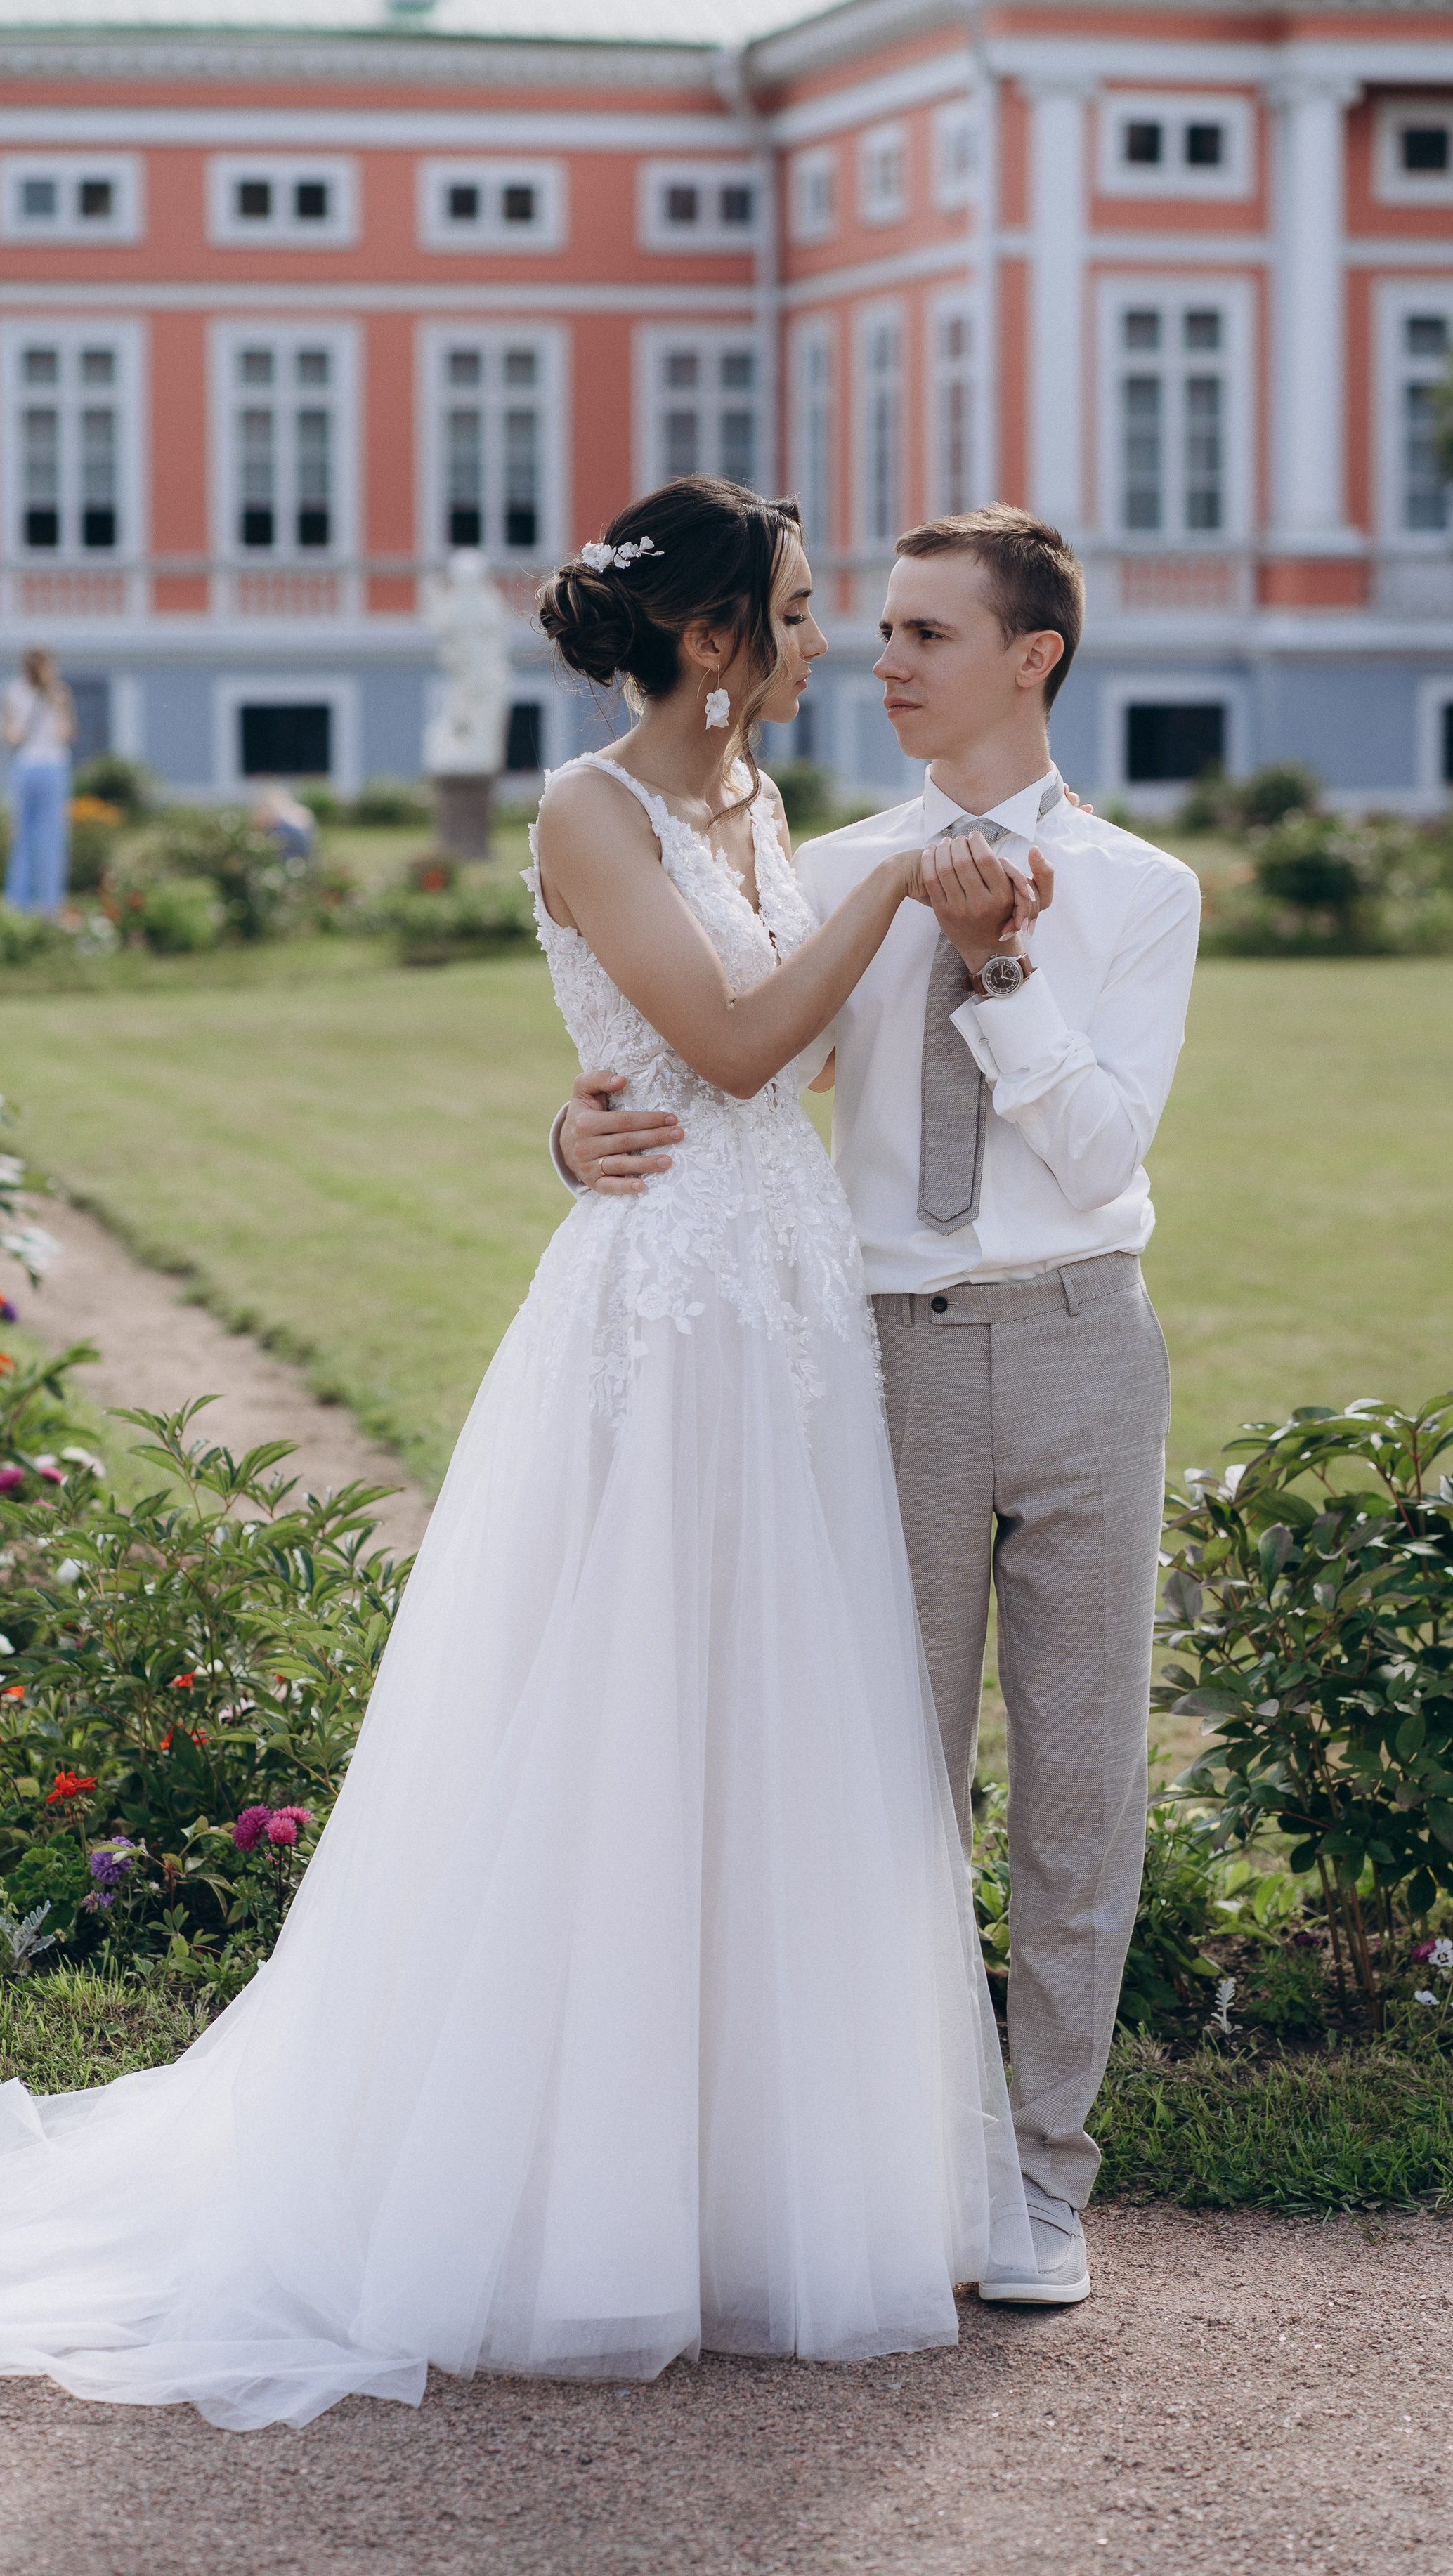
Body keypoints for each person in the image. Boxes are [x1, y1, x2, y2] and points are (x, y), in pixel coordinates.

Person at [0, 477, 1042, 2432]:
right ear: (714, 640)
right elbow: (727, 1049)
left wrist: (880, 955)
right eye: (804, 614)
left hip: (780, 1295)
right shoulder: (589, 805)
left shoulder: (752, 804)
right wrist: (875, 911)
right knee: (613, 1712)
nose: (828, 644)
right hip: (656, 1317)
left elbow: (780, 1061)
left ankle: (746, 2183)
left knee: (771, 1717)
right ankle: (562, 2198)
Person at [554, 505, 1203, 2310]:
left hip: (1082, 1338)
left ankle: (1044, 2179)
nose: (880, 661)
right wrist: (568, 1128)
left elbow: (1094, 1149)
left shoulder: (1142, 891)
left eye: (924, 633)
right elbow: (714, 1059)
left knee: (1078, 1784)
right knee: (875, 1784)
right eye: (873, 626)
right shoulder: (819, 857)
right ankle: (894, 2170)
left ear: (1029, 658)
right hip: (882, 1349)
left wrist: (996, 970)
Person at [0, 646, 77, 913]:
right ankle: (20, 901)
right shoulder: (14, 693)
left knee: (51, 836)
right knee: (24, 834)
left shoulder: (59, 694)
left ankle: (47, 902)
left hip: (50, 765)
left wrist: (54, 705)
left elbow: (66, 734)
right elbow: (10, 737)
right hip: (31, 766)